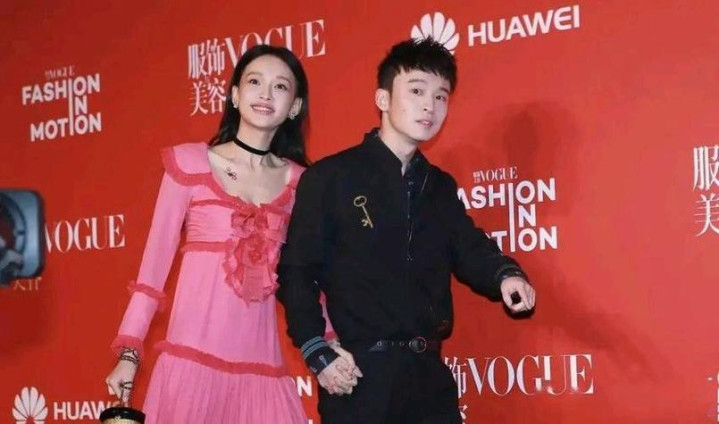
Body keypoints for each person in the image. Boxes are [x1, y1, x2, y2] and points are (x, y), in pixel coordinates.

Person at [277, 37, 536, 423]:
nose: (430, 105)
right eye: (416, 91)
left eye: (441, 96)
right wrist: (317, 349)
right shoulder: (331, 177)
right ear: (383, 99)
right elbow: (296, 272)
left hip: (428, 379)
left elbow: (467, 246)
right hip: (358, 378)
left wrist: (505, 275)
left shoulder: (439, 186)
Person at [105, 44, 336, 423]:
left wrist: (329, 344)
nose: (266, 94)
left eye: (280, 86)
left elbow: (306, 281)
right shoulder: (189, 164)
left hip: (263, 373)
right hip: (190, 366)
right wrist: (130, 353)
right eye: (255, 82)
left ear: (295, 106)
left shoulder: (300, 185)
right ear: (235, 95)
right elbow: (152, 273)